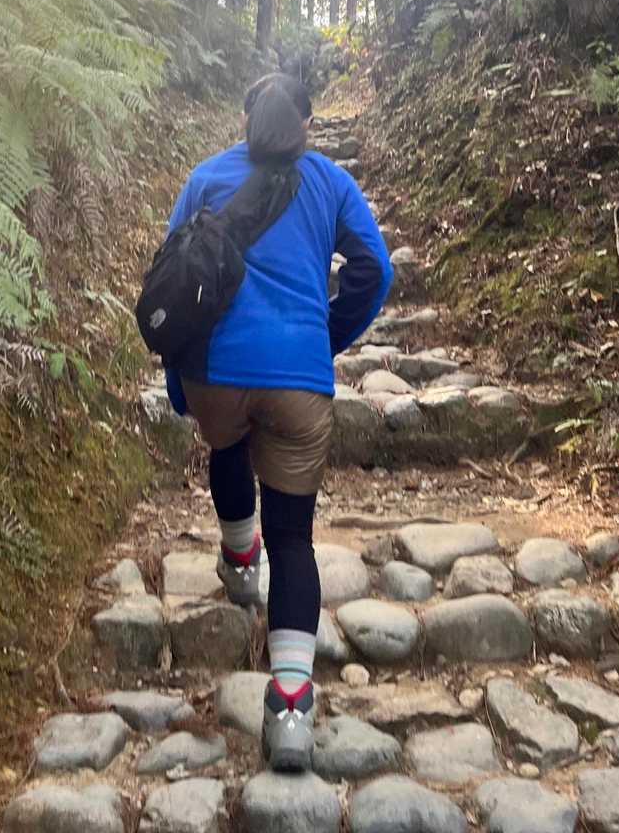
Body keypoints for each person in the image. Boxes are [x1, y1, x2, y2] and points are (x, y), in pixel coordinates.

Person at [164, 73, 392, 771]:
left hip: (216, 372)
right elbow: (375, 270)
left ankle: (239, 563)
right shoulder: (331, 182)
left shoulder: (206, 178)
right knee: (293, 538)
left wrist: (181, 383)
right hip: (298, 379)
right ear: (306, 124)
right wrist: (327, 335)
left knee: (228, 442)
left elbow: (171, 283)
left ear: (244, 120)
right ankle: (291, 706)